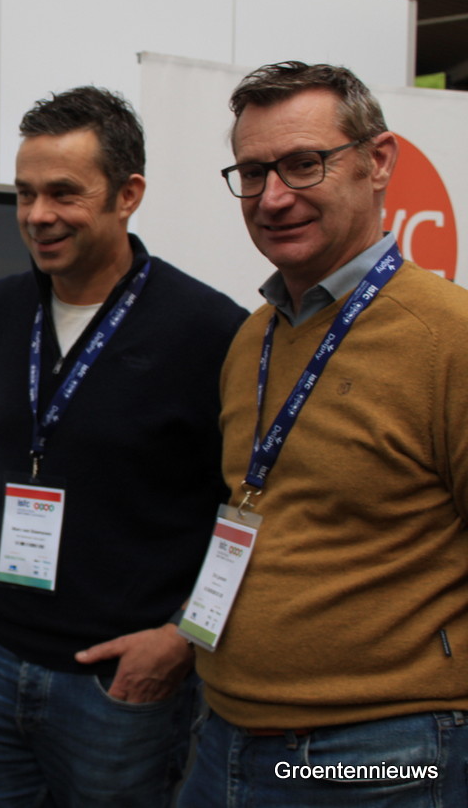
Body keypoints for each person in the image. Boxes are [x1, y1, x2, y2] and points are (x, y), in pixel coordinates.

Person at [0, 86, 247, 807]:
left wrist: (185, 637)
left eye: (63, 193)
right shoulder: (1, 308)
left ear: (127, 195)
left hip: (122, 688)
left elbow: (252, 509)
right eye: (25, 194)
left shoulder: (209, 330)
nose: (37, 215)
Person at [177, 61, 468, 807]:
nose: (274, 197)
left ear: (379, 162)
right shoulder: (253, 338)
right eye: (253, 172)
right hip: (224, 731)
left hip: (380, 752)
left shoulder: (448, 337)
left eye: (304, 163)